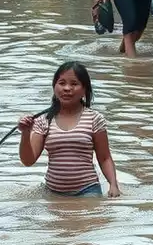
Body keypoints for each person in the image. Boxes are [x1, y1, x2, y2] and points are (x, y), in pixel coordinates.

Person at [17, 62, 120, 198]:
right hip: (52, 192)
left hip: (88, 190)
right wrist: (25, 133)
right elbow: (28, 161)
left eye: (74, 84)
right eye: (62, 83)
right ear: (54, 87)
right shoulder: (44, 121)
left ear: (84, 90)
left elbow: (105, 157)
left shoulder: (94, 119)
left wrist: (113, 185)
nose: (67, 88)